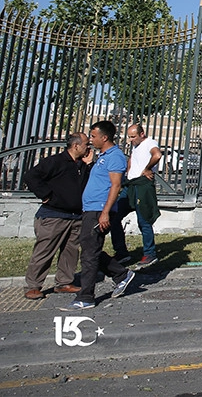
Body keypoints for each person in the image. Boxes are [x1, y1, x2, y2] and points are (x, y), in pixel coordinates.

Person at [69, 121, 136, 310]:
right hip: (91, 208)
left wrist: (105, 212)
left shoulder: (116, 157)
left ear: (104, 137)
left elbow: (115, 185)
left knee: (89, 253)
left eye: (93, 136)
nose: (90, 140)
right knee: (90, 248)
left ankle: (86, 296)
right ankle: (121, 275)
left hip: (100, 210)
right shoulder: (103, 157)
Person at [23, 133, 92, 300]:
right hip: (53, 215)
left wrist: (88, 165)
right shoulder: (56, 161)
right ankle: (33, 286)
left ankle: (64, 282)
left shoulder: (82, 165)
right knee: (44, 250)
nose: (88, 148)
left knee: (70, 251)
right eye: (85, 144)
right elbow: (31, 176)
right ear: (75, 146)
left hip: (75, 216)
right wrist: (46, 195)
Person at [110, 123, 162, 268]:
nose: (131, 140)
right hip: (130, 185)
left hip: (142, 185)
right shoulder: (136, 146)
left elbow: (157, 154)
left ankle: (149, 253)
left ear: (142, 134)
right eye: (129, 137)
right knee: (114, 215)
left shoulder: (149, 143)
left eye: (133, 136)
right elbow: (132, 160)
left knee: (143, 220)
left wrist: (147, 168)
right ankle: (121, 252)